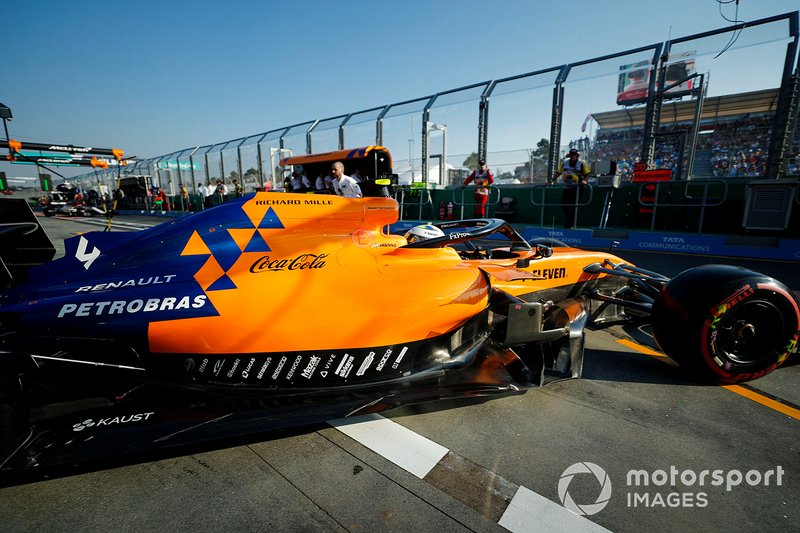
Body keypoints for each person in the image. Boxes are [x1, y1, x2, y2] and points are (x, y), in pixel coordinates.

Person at [553, 148, 590, 229]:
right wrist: (551, 181)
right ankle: (569, 222)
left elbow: (587, 173)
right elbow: (558, 173)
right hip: (568, 187)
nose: (573, 157)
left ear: (577, 156)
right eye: (572, 155)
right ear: (570, 156)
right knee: (564, 204)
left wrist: (584, 180)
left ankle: (571, 224)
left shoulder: (581, 163)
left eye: (575, 155)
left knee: (574, 206)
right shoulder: (565, 163)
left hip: (578, 187)